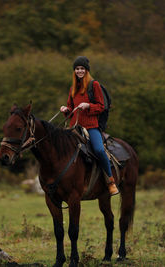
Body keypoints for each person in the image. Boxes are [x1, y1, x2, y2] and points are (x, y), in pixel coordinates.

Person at [60, 56, 119, 196]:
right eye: (77, 69)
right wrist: (66, 110)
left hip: (91, 127)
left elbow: (101, 106)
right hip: (74, 127)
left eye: (82, 69)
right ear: (74, 71)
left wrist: (88, 105)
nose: (79, 71)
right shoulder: (73, 88)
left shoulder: (94, 85)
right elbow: (71, 107)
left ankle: (110, 181)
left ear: (86, 70)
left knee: (99, 150)